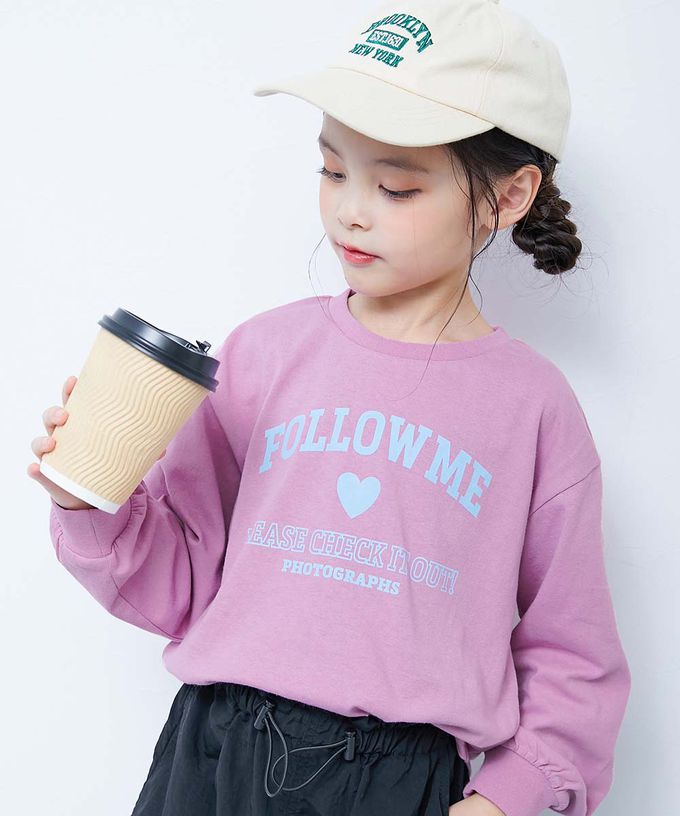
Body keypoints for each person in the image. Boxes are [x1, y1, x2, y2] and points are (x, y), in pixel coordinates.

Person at [29, 2, 632, 815]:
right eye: (332, 170)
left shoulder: (533, 408)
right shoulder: (262, 355)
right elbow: (181, 581)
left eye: (396, 186)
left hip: (398, 780)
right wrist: (88, 500)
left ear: (509, 195)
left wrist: (507, 798)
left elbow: (573, 652)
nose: (351, 209)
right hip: (212, 754)